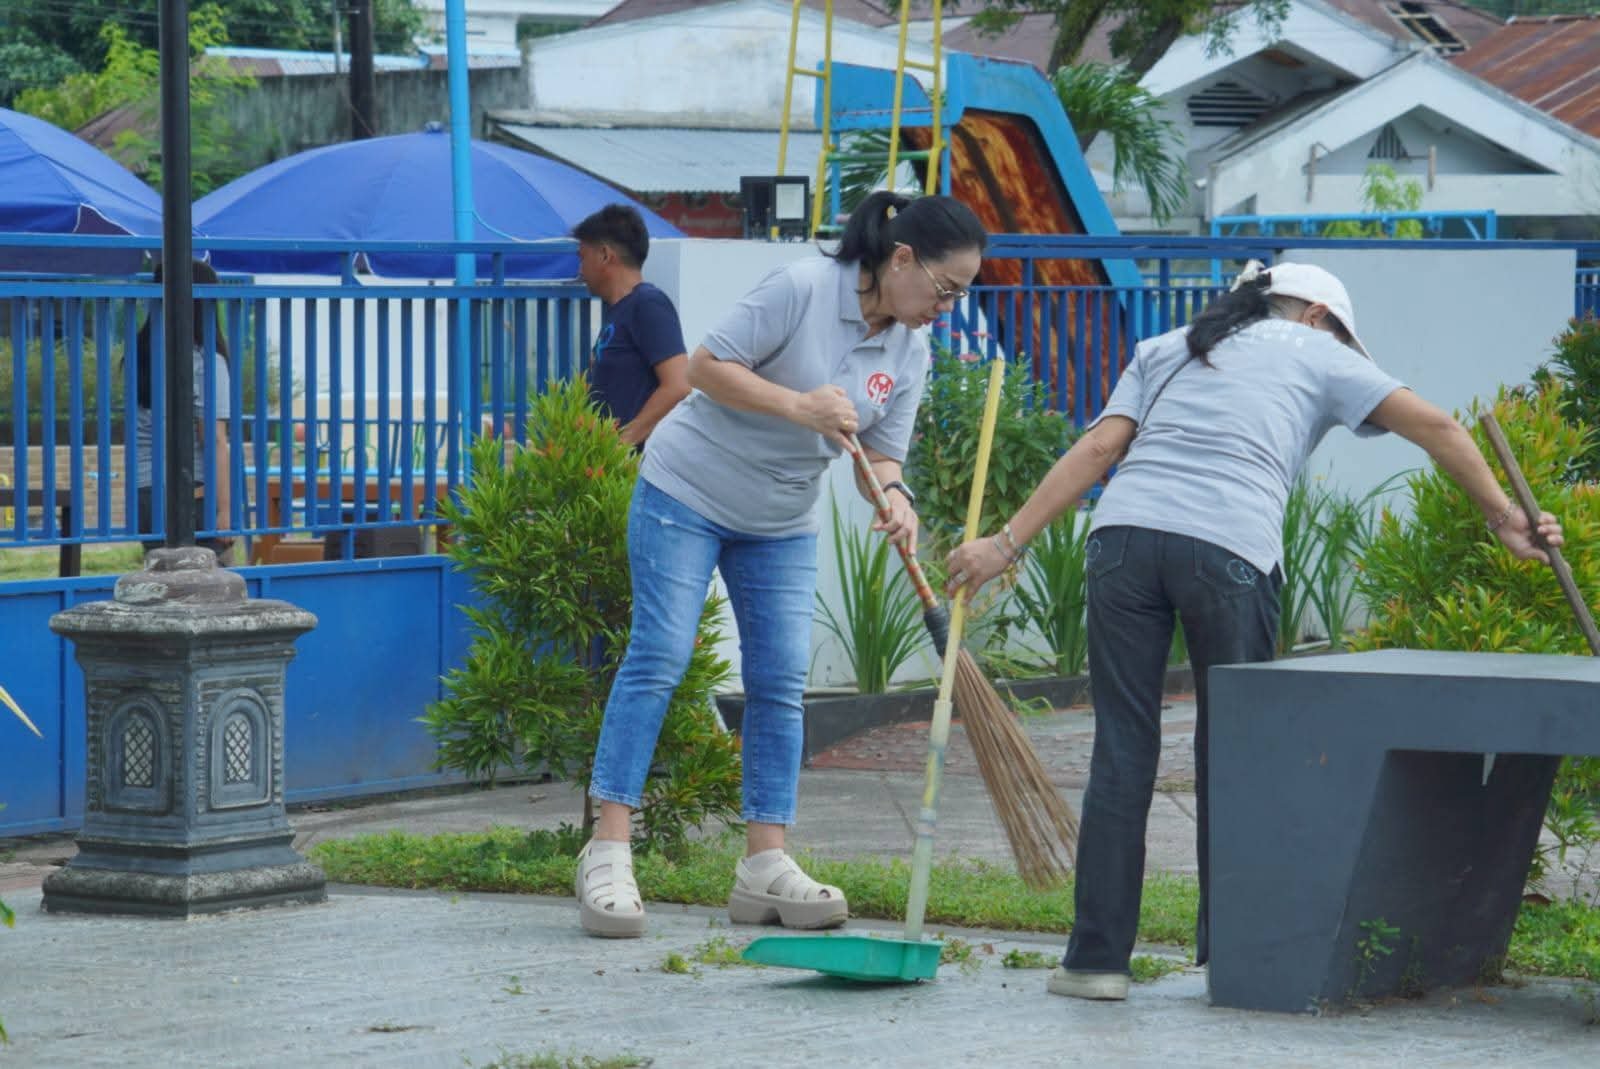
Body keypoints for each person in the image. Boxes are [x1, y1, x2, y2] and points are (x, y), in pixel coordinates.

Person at [944, 260, 1564, 1000]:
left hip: (1122, 543)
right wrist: (1505, 518)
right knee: (1234, 755)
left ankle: (1095, 963)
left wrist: (1002, 545)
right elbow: (1439, 427)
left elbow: (1100, 450)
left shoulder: (1168, 345)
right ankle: (1233, 960)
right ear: (1316, 315)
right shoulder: (1319, 352)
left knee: (1122, 752)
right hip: (1228, 548)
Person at [575, 190, 988, 938]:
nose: (946, 307)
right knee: (660, 655)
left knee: (779, 680)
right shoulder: (802, 287)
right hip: (687, 492)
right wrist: (800, 407)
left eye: (959, 294)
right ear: (901, 259)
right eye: (945, 288)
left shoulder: (910, 349)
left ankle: (764, 864)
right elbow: (705, 368)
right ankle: (608, 849)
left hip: (781, 520)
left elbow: (880, 453)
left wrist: (897, 496)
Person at [132, 259, 234, 562]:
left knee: (164, 580)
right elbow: (213, 439)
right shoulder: (205, 361)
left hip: (146, 493)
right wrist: (226, 509)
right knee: (215, 581)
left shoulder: (141, 355)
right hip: (193, 494)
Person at [574, 204, 690, 449]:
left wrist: (620, 444)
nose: (580, 271)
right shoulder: (619, 311)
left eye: (582, 257)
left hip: (635, 464)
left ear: (604, 255)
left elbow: (679, 385)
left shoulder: (648, 304)